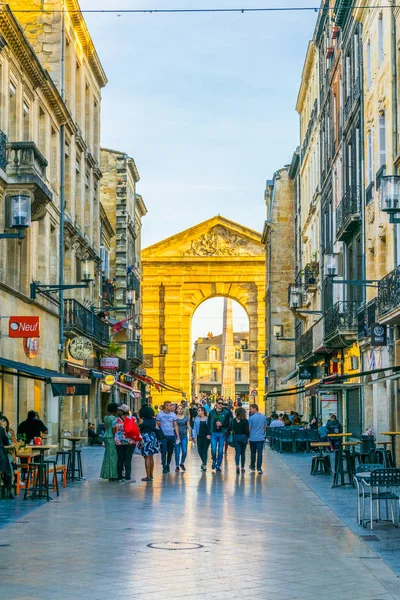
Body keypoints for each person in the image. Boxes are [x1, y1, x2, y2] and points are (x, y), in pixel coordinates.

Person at [114, 404, 139, 483]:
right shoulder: (133, 419)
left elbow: (113, 431)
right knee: (128, 459)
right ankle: (128, 477)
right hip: (130, 441)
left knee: (120, 459)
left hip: (119, 442)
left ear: (121, 411)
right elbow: (137, 429)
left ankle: (120, 477)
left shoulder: (116, 420)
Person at [208, 398, 231, 472]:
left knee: (220, 450)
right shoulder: (211, 413)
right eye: (219, 403)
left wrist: (222, 424)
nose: (220, 405)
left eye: (222, 403)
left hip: (222, 433)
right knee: (213, 449)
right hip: (213, 433)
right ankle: (214, 460)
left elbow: (228, 424)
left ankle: (218, 464)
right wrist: (208, 433)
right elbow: (208, 423)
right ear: (216, 403)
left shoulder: (226, 413)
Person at [156, 402, 180, 473]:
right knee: (163, 451)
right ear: (166, 406)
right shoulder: (160, 415)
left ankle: (168, 463)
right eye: (170, 406)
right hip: (163, 436)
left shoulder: (173, 415)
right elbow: (157, 425)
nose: (171, 407)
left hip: (171, 435)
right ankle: (164, 465)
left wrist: (178, 436)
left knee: (170, 451)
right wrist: (158, 435)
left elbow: (175, 425)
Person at [138, 405, 159, 482]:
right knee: (151, 457)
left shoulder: (141, 420)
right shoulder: (154, 420)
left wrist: (139, 441)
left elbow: (139, 430)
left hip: (145, 437)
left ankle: (148, 476)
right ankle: (151, 474)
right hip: (153, 437)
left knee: (146, 457)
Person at [100, 403, 119, 481]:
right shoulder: (114, 418)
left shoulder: (105, 417)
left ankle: (106, 473)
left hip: (106, 436)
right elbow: (114, 429)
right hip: (111, 437)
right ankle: (113, 474)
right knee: (113, 456)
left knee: (107, 456)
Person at [249, 404, 267, 475]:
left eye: (251, 409)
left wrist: (249, 437)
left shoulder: (251, 418)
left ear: (254, 409)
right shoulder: (264, 417)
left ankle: (252, 466)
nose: (250, 411)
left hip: (253, 438)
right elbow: (265, 428)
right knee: (260, 453)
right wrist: (262, 433)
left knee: (253, 453)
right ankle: (259, 468)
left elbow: (249, 428)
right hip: (260, 438)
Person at [0, 417, 14, 499]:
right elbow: (6, 442)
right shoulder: (1, 430)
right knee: (8, 470)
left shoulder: (8, 431)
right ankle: (8, 491)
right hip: (1, 455)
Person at [233, 407, 249, 473]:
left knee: (237, 453)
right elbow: (247, 430)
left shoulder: (233, 420)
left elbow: (230, 428)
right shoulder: (245, 421)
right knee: (243, 453)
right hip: (243, 437)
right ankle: (242, 467)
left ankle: (237, 466)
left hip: (236, 437)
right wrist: (248, 437)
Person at [175, 404, 189, 472]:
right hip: (176, 436)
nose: (180, 410)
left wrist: (191, 435)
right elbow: (175, 426)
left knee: (184, 451)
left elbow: (189, 426)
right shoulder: (175, 418)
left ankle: (182, 463)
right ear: (177, 410)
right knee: (177, 452)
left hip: (184, 436)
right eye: (179, 408)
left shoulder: (186, 417)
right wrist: (177, 437)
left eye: (181, 408)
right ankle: (177, 466)